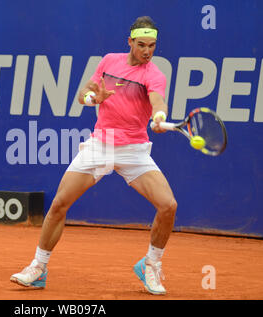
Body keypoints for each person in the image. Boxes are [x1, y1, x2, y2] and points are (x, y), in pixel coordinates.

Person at [10, 16, 177, 295]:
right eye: (141, 45)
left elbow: (157, 101)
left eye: (152, 45)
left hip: (134, 149)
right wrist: (93, 99)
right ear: (130, 42)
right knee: (60, 204)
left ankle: (151, 264)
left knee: (168, 205)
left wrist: (159, 116)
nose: (147, 51)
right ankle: (38, 268)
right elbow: (82, 94)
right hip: (102, 143)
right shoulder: (109, 61)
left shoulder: (153, 74)